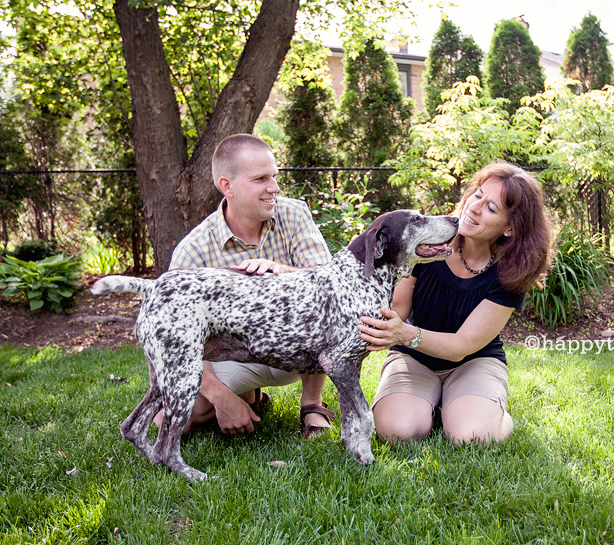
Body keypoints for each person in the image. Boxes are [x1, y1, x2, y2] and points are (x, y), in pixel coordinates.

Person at [358, 162, 553, 444]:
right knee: (397, 432)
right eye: (478, 195)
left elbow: (461, 346)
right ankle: (438, 407)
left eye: (491, 208)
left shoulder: (512, 272)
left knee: (472, 437)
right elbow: (399, 309)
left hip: (473, 362)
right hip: (413, 357)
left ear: (509, 228)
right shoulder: (429, 240)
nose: (474, 207)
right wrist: (383, 326)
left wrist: (405, 333)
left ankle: (486, 411)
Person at [161, 133, 335, 438]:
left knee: (324, 307)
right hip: (232, 355)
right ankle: (246, 396)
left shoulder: (293, 214)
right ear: (226, 186)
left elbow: (329, 285)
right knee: (174, 419)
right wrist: (221, 397)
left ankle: (312, 405)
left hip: (295, 352)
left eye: (274, 177)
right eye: (261, 179)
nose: (274, 188)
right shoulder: (192, 252)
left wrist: (282, 272)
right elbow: (177, 342)